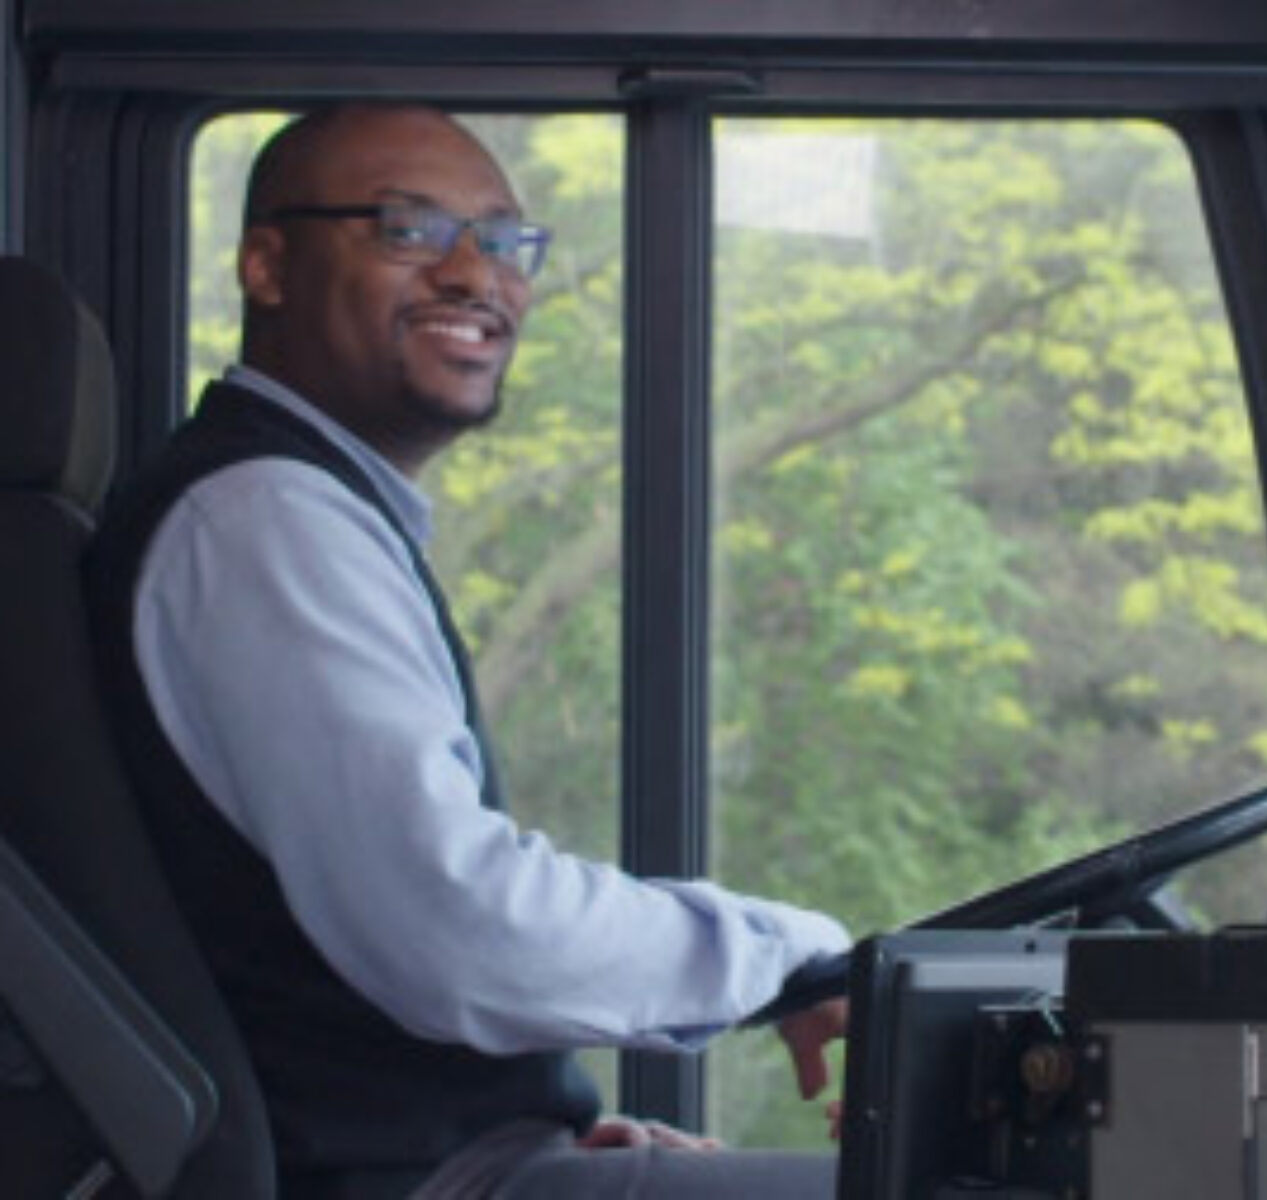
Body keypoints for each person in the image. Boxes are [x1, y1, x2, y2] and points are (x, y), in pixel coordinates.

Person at [86, 103, 850, 1198]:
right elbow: (459, 927)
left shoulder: (300, 512)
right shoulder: (265, 522)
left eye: (503, 241)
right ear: (267, 264)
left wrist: (549, 1122)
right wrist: (788, 954)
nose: (473, 275)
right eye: (409, 230)